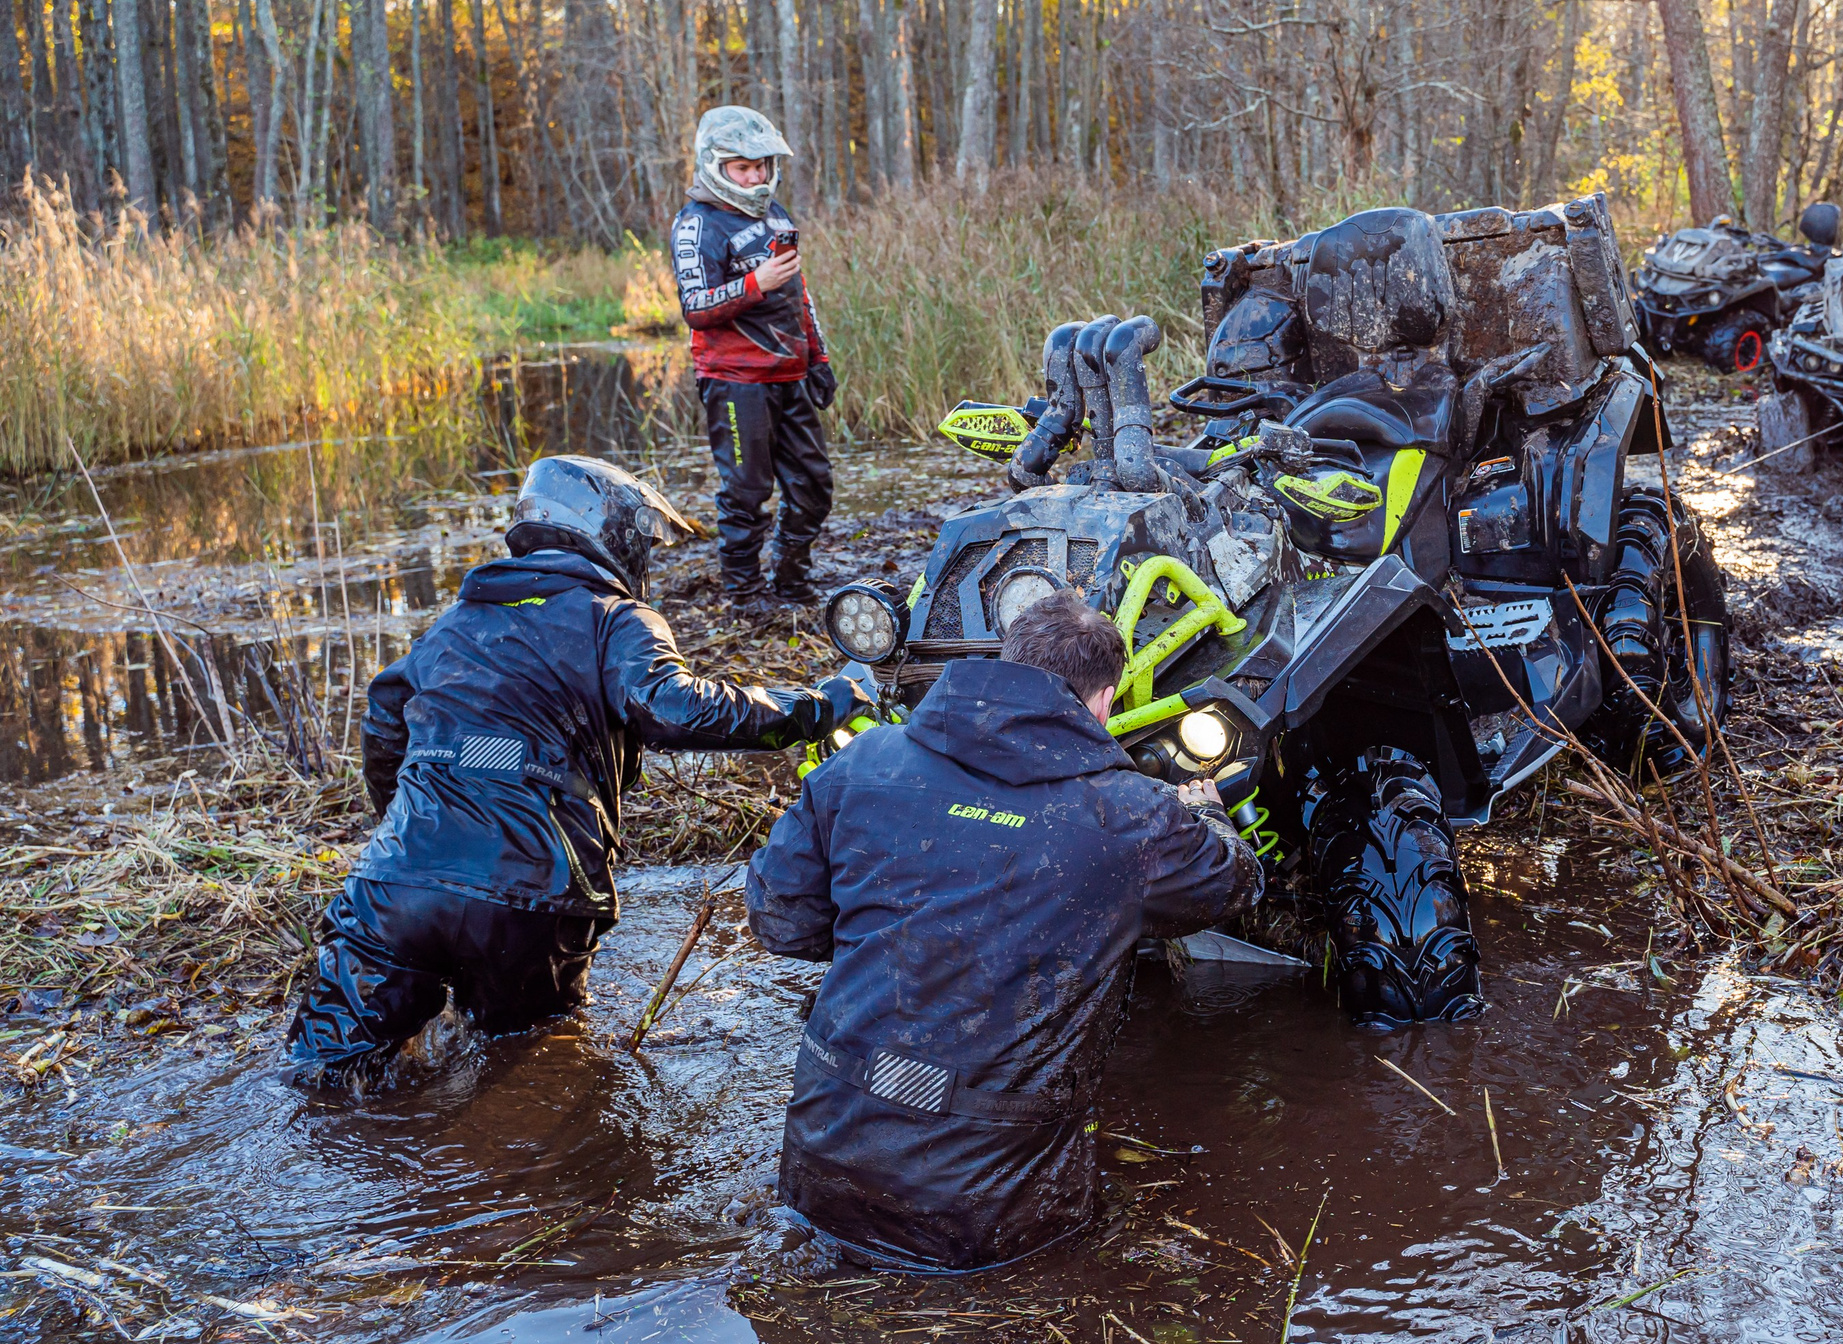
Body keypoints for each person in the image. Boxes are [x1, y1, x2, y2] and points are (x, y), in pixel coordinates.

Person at [283, 455, 859, 1085]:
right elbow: (672, 705)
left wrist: (411, 827)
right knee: (530, 1067)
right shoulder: (614, 618)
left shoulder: (452, 625)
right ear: (611, 534)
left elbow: (384, 721)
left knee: (324, 1072)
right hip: (532, 889)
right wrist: (815, 707)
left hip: (397, 882)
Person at [743, 591, 1262, 1272]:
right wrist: (1209, 815)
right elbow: (1233, 887)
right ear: (1102, 703)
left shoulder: (865, 760)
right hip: (982, 1221)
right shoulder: (1132, 815)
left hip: (821, 1169)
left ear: (1006, 661)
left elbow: (779, 919)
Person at [670, 105, 839, 605]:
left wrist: (819, 358)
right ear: (716, 165)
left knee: (814, 484)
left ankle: (792, 578)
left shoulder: (776, 215)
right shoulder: (697, 225)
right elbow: (694, 307)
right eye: (744, 168)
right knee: (746, 492)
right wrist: (752, 284)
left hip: (789, 373)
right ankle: (744, 593)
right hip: (735, 379)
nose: (756, 175)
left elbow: (798, 293)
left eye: (762, 166)